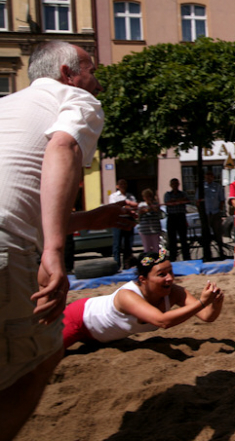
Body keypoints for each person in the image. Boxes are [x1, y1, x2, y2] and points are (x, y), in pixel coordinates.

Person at [0, 41, 138, 441]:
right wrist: (55, 253)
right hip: (10, 252)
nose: (96, 82)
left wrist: (90, 219)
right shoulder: (74, 99)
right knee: (40, 356)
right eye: (91, 70)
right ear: (67, 73)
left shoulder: (9, 106)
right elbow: (62, 146)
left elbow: (19, 202)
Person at [62, 249, 223, 349]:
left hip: (98, 338)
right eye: (162, 275)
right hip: (78, 319)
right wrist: (202, 302)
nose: (170, 278)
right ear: (143, 279)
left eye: (171, 272)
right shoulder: (127, 295)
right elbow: (163, 322)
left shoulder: (174, 292)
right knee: (43, 357)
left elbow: (207, 316)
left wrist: (215, 304)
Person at [109, 179, 137, 269]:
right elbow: (114, 208)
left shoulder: (131, 196)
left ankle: (127, 265)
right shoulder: (113, 196)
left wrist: (126, 208)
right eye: (121, 184)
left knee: (128, 244)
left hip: (129, 220)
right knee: (117, 244)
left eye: (124, 184)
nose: (123, 185)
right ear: (117, 186)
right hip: (118, 220)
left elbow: (135, 207)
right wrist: (126, 207)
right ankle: (117, 265)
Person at [199, 170, 226, 260]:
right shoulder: (201, 187)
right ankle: (207, 254)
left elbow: (222, 200)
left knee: (218, 233)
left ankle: (221, 252)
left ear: (213, 177)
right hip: (206, 213)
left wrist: (219, 210)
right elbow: (197, 201)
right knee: (206, 235)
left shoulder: (217, 187)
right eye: (207, 176)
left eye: (210, 176)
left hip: (215, 212)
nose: (209, 178)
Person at [164, 178, 191, 261]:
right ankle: (173, 257)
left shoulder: (183, 193)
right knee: (172, 239)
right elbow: (168, 203)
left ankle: (186, 257)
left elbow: (186, 200)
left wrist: (175, 201)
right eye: (173, 184)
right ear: (170, 185)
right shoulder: (167, 194)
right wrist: (178, 201)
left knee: (183, 238)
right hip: (172, 217)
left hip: (181, 217)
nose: (175, 185)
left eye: (176, 183)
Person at [137, 188, 163, 253]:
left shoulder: (155, 204)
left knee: (156, 248)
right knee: (147, 249)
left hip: (155, 229)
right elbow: (139, 213)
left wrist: (151, 205)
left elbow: (158, 212)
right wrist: (145, 210)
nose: (148, 198)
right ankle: (148, 262)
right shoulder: (141, 205)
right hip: (145, 230)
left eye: (149, 196)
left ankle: (156, 261)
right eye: (146, 196)